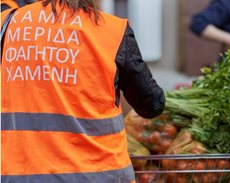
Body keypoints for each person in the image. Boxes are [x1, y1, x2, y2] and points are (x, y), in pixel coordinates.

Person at [0, 0, 165, 182]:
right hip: (99, 174)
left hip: (21, 174)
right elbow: (152, 105)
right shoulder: (112, 30)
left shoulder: (8, 22)